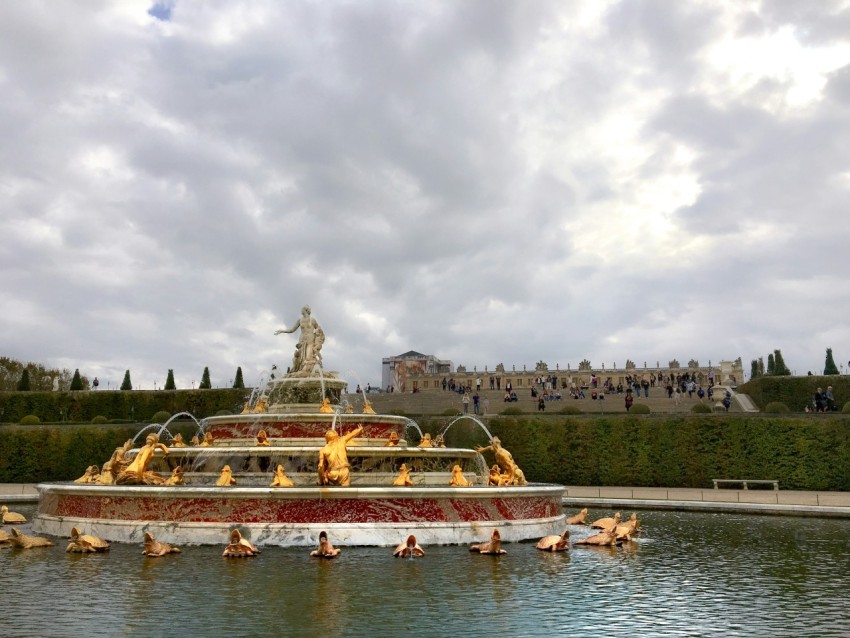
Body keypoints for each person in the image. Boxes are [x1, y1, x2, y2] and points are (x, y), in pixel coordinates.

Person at [274, 305, 324, 374]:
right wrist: (282, 331)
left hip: (311, 341)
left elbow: (319, 329)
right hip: (302, 341)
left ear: (305, 310)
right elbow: (292, 330)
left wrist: (318, 340)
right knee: (300, 358)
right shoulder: (300, 320)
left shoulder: (312, 320)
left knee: (308, 358)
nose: (301, 310)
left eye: (302, 309)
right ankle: (301, 371)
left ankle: (313, 368)